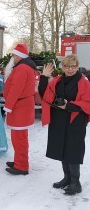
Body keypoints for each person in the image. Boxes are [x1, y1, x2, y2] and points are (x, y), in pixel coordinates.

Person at [38, 54, 90, 195]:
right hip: (59, 120)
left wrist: (68, 106)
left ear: (77, 66)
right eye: (67, 66)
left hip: (75, 120)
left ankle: (75, 182)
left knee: (73, 150)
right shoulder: (57, 80)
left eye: (73, 66)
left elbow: (88, 103)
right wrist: (44, 77)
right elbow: (45, 95)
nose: (70, 69)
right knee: (62, 149)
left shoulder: (84, 81)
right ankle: (67, 178)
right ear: (63, 67)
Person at [3, 44, 36, 175]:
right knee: (19, 137)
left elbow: (16, 89)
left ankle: (21, 166)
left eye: (14, 55)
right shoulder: (24, 67)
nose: (13, 57)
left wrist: (8, 106)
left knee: (19, 138)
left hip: (20, 107)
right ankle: (19, 161)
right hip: (21, 106)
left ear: (19, 56)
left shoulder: (22, 68)